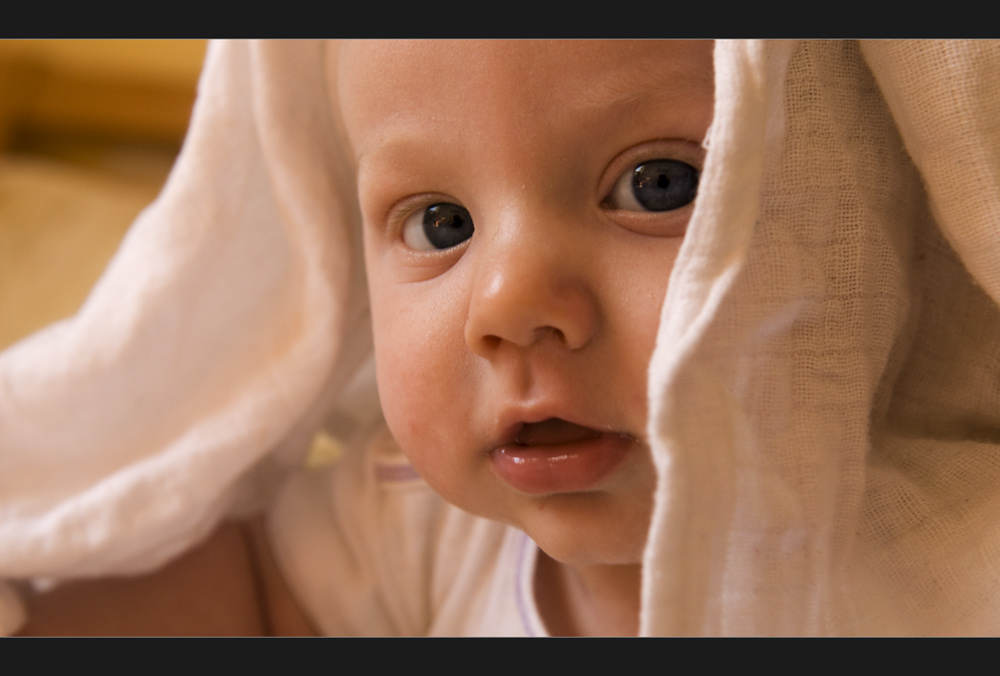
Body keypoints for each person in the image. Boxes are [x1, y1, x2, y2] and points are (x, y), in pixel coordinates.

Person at [4, 40, 1000, 636]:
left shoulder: (956, 577)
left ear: (876, 211)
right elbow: (253, 593)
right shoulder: (418, 523)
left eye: (657, 186)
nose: (510, 305)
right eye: (441, 223)